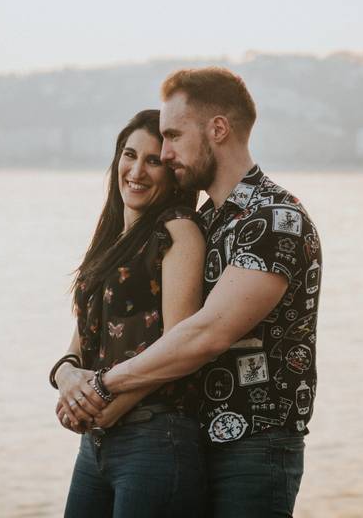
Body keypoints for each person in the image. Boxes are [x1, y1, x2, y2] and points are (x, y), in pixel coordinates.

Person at [73, 67, 322, 518]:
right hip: (190, 439)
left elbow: (206, 334)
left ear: (218, 129)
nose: (165, 153)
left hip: (253, 447)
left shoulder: (273, 219)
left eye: (172, 136)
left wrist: (105, 387)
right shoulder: (205, 222)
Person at [49, 109, 207, 518]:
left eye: (153, 160)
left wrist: (103, 406)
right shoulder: (111, 238)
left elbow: (179, 348)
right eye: (129, 154)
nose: (136, 170)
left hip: (155, 438)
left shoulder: (177, 229)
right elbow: (85, 336)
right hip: (98, 443)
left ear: (171, 172)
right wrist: (65, 376)